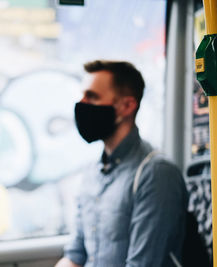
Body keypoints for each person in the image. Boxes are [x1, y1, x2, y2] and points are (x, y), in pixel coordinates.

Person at [55, 60, 188, 267]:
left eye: (92, 96)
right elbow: (75, 255)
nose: (81, 104)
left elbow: (143, 264)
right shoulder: (92, 173)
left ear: (126, 106)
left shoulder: (156, 174)